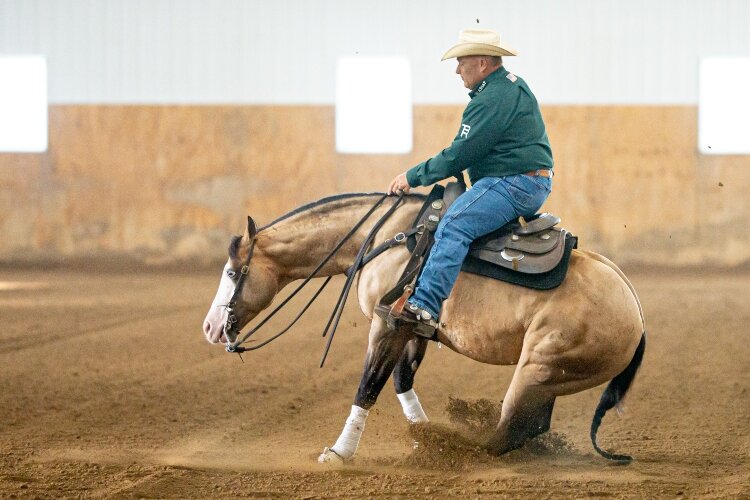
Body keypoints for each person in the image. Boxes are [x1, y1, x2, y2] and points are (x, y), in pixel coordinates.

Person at [386, 28, 554, 335]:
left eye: (461, 61)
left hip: (515, 183)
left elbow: (458, 154)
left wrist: (412, 177)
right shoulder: (510, 87)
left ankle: (424, 306)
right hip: (526, 180)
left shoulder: (492, 98)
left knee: (454, 224)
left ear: (481, 62)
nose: (456, 69)